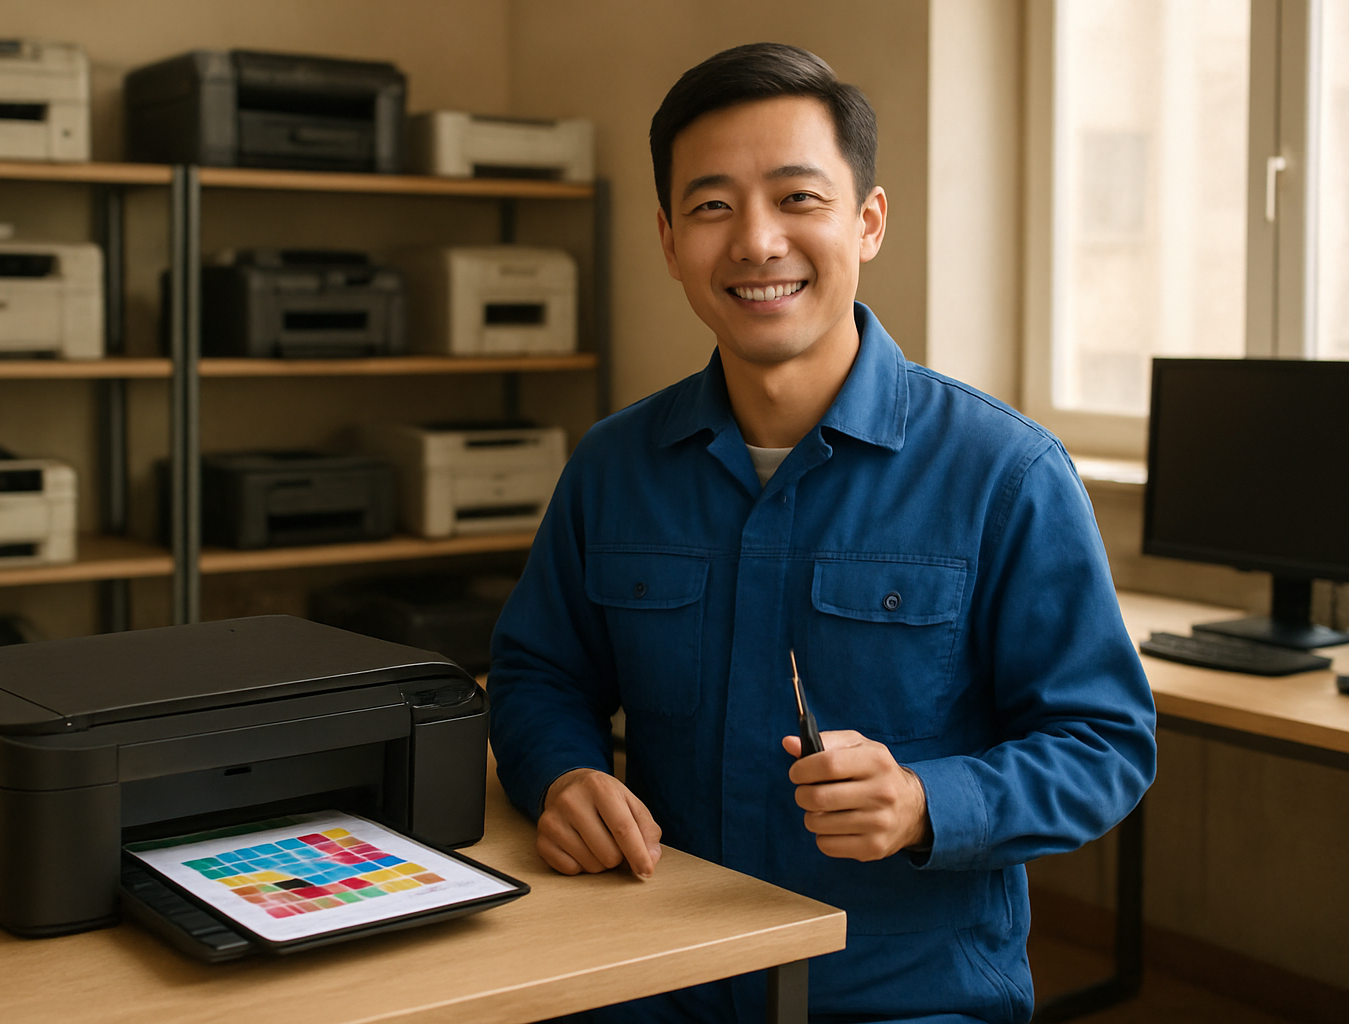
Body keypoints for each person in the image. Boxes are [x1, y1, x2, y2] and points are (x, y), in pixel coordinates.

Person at [488, 42, 1156, 1024]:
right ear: (670, 241)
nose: (757, 242)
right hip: (653, 974)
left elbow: (1105, 743)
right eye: (713, 207)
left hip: (904, 996)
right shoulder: (612, 465)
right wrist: (566, 772)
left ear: (868, 221)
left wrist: (930, 801)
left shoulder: (1006, 472)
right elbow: (539, 674)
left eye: (798, 198)